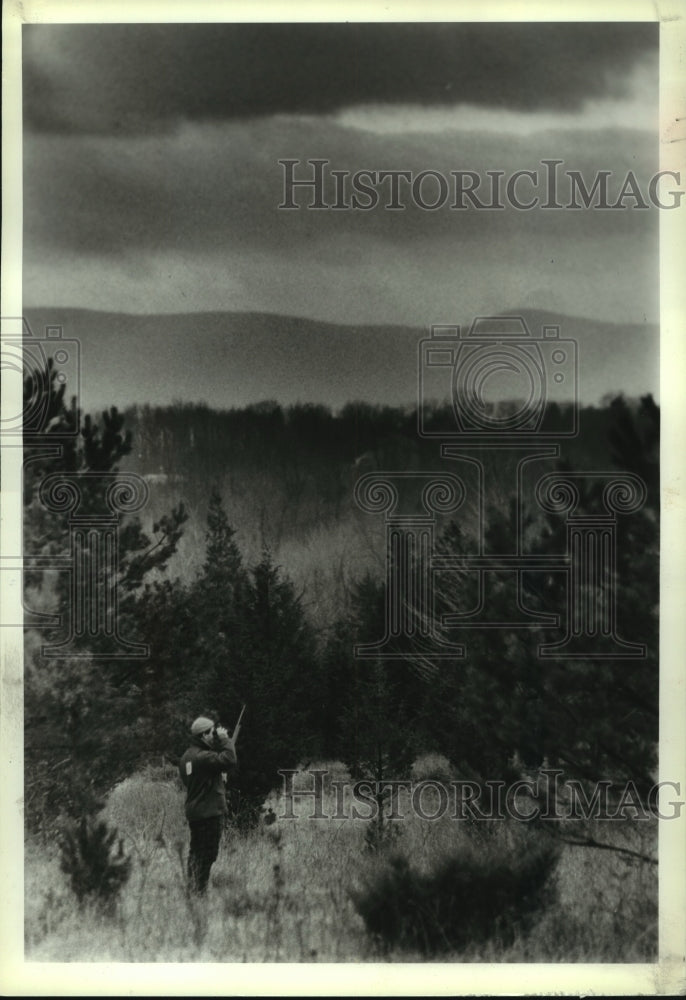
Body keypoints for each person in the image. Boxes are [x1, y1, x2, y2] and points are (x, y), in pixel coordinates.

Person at [179, 716, 237, 894]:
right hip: (208, 813)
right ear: (204, 735)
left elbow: (202, 778)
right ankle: (199, 892)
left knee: (196, 852)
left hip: (196, 812)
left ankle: (193, 890)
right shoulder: (203, 757)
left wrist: (217, 776)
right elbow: (229, 759)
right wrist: (226, 740)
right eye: (212, 732)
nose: (215, 735)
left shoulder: (188, 756)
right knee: (208, 854)